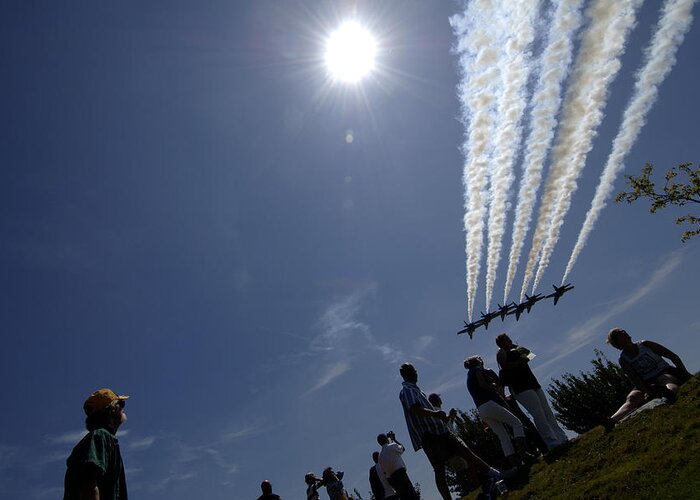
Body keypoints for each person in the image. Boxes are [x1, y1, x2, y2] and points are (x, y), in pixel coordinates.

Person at [398, 362, 503, 500]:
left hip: (440, 430)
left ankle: (495, 474)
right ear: (408, 373)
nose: (416, 373)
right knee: (439, 468)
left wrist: (443, 417)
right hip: (429, 435)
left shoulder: (417, 390)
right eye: (414, 370)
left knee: (465, 452)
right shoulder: (407, 391)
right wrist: (435, 414)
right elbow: (415, 409)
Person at [495, 334, 568, 451]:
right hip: (520, 387)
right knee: (538, 413)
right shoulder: (501, 352)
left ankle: (561, 437)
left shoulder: (516, 349)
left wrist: (516, 349)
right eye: (507, 340)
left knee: (547, 410)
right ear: (501, 343)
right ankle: (551, 441)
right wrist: (519, 361)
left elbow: (529, 355)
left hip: (531, 382)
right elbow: (505, 365)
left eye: (509, 339)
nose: (510, 341)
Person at [607, 327, 692, 422]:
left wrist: (683, 372)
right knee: (632, 397)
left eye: (623, 331)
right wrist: (646, 391)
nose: (624, 333)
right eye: (619, 333)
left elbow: (672, 356)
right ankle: (611, 420)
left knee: (664, 379)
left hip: (664, 372)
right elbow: (635, 379)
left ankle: (670, 394)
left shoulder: (645, 344)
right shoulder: (623, 360)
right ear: (617, 342)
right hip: (647, 382)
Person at [464, 356, 531, 469]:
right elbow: (482, 384)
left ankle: (515, 463)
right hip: (490, 403)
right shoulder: (477, 369)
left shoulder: (469, 375)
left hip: (481, 409)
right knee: (516, 423)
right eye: (480, 360)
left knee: (503, 435)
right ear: (477, 362)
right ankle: (524, 453)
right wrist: (493, 387)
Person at [63, 388, 129, 500]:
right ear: (112, 409)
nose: (123, 408)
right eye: (120, 404)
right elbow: (89, 483)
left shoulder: (103, 438)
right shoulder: (100, 436)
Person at [377, 432, 416, 500]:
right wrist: (394, 439)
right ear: (386, 439)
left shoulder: (380, 456)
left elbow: (384, 471)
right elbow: (402, 448)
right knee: (411, 495)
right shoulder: (392, 446)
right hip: (401, 474)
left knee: (404, 497)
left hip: (393, 479)